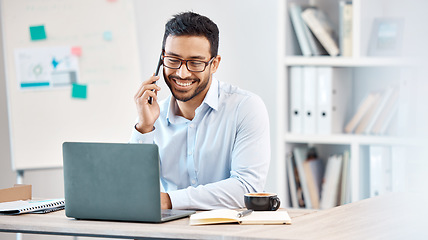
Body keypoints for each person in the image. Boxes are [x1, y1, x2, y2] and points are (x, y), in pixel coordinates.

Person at [130, 11, 270, 210]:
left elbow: (247, 189)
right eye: (173, 59)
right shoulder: (153, 116)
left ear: (214, 64)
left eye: (195, 63)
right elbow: (132, 192)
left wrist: (169, 200)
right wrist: (144, 128)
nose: (182, 73)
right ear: (161, 60)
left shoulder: (245, 108)